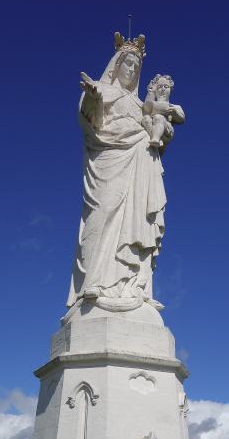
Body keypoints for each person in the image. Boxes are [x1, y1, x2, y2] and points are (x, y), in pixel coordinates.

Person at [66, 33, 168, 313]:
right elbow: (89, 120)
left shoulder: (140, 104)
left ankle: (137, 287)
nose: (132, 70)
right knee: (104, 213)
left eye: (137, 66)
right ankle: (93, 283)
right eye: (128, 64)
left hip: (140, 165)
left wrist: (162, 128)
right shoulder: (102, 89)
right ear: (116, 64)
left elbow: (154, 130)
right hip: (109, 161)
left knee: (138, 223)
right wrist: (92, 98)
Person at [142, 74, 185, 149]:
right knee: (146, 119)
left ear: (170, 89)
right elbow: (147, 107)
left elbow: (181, 119)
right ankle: (155, 139)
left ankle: (156, 138)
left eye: (166, 87)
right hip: (152, 125)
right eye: (159, 87)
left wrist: (174, 113)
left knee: (159, 117)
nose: (162, 89)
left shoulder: (174, 106)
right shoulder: (153, 103)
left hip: (166, 129)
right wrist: (151, 91)